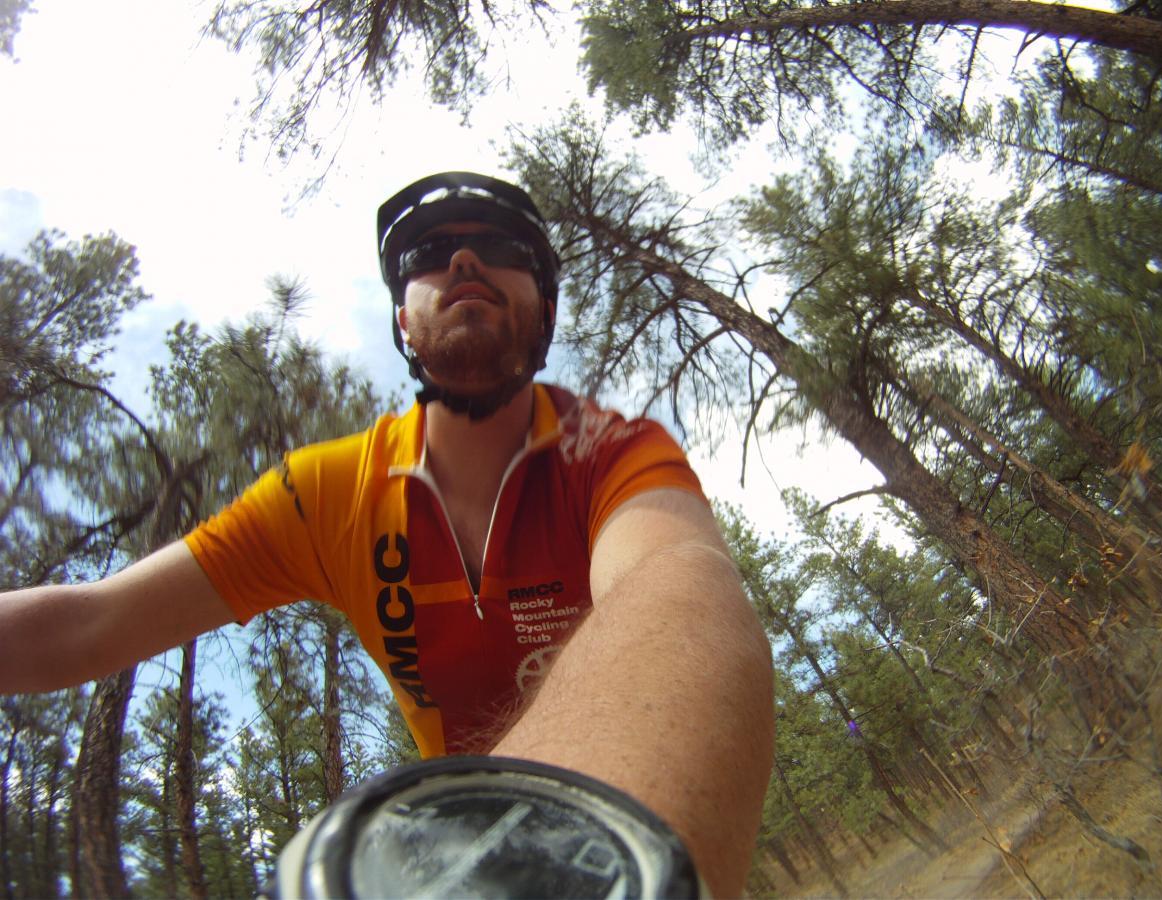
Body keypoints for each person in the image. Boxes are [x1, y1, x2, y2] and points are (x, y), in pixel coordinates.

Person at [0, 172, 774, 896]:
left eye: (501, 250)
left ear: (545, 306)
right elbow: (91, 624)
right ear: (402, 318)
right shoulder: (325, 493)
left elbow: (678, 585)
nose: (464, 259)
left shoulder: (611, 449)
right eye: (429, 256)